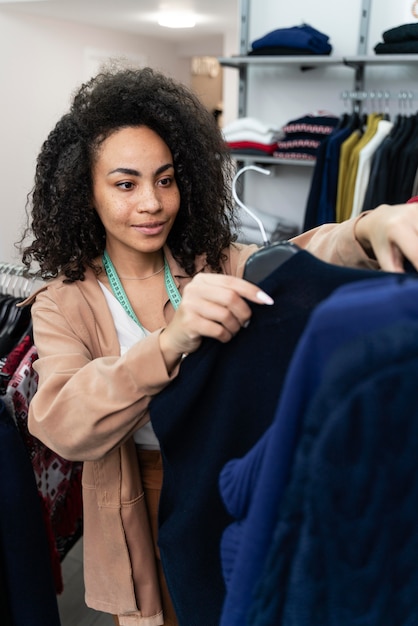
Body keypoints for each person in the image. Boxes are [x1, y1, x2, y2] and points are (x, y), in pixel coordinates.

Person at [18, 65, 418, 626]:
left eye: (166, 179)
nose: (153, 203)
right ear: (86, 192)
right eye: (126, 184)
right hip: (138, 500)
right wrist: (172, 341)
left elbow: (294, 262)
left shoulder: (214, 260)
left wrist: (367, 231)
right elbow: (63, 421)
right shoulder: (63, 302)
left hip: (220, 484)